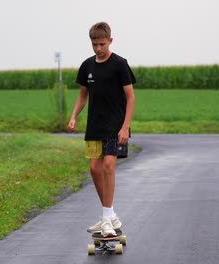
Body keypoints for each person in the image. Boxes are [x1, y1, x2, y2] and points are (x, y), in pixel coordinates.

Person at [67, 22, 136, 237]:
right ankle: (110, 215)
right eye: (94, 44)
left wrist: (125, 127)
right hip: (94, 127)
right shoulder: (87, 66)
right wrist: (73, 117)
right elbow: (82, 96)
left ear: (110, 41)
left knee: (108, 165)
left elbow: (131, 97)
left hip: (115, 127)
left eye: (102, 44)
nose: (98, 48)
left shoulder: (119, 64)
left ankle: (106, 219)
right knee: (95, 169)